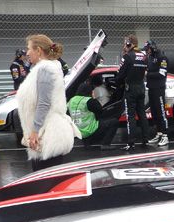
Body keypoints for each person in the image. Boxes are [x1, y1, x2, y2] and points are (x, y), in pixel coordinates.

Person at [17, 34, 79, 171]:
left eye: (29, 49)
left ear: (38, 50)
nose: (27, 53)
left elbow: (44, 103)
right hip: (47, 133)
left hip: (48, 135)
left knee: (45, 183)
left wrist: (34, 132)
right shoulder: (48, 67)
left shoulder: (45, 69)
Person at [115, 34, 150, 150]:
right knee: (142, 114)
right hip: (141, 87)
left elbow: (120, 75)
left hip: (131, 89)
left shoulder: (127, 56)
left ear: (129, 44)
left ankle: (131, 142)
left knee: (130, 116)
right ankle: (146, 139)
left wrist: (118, 81)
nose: (124, 45)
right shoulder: (144, 55)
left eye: (125, 43)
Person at [67, 80, 121, 146]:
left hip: (78, 132)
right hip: (89, 130)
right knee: (113, 122)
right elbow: (100, 110)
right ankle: (105, 145)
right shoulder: (88, 100)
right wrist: (94, 98)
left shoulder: (71, 100)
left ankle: (90, 141)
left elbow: (67, 112)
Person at [144, 40, 169, 146]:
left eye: (148, 49)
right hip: (151, 88)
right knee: (154, 112)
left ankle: (165, 136)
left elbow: (162, 74)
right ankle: (159, 133)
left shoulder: (162, 58)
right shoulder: (149, 57)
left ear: (152, 47)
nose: (147, 51)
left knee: (161, 112)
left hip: (159, 88)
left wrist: (147, 74)